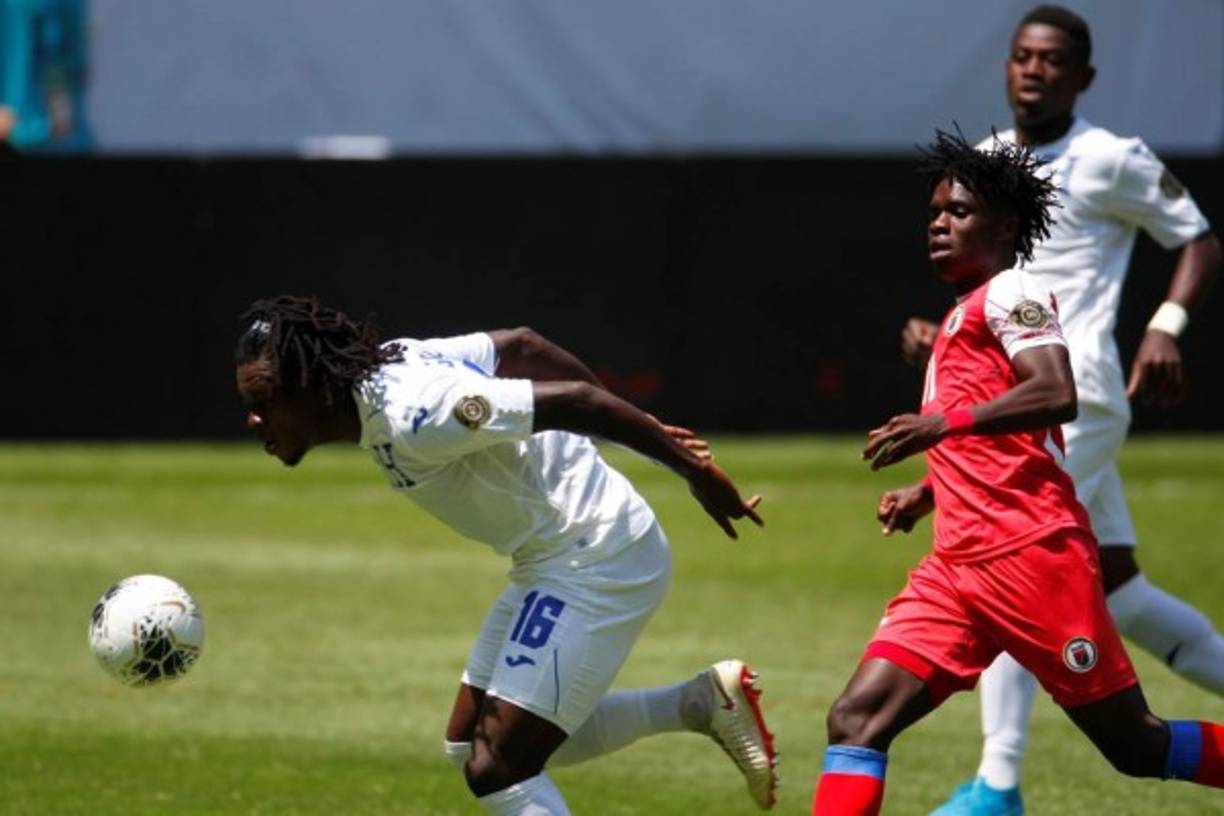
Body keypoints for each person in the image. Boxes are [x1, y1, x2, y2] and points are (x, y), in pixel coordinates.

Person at [810, 129, 1224, 816]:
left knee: (1135, 747)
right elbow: (1004, 447)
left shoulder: (1017, 291)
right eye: (934, 213)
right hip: (956, 568)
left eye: (958, 212)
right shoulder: (961, 311)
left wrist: (942, 424)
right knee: (857, 719)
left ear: (1005, 227)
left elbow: (1056, 391)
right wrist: (927, 492)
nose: (939, 224)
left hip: (1030, 559)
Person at [234, 296, 778, 815]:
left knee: (498, 768)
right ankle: (697, 704)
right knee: (467, 745)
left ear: (310, 386)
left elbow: (578, 402)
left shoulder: (416, 415)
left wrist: (694, 471)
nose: (254, 420)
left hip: (595, 554)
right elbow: (521, 345)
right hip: (550, 559)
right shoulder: (392, 367)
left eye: (264, 402)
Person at [898, 8, 1223, 815]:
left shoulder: (1109, 158)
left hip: (1077, 393)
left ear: (1084, 77)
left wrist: (1166, 325)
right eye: (1020, 57)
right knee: (1121, 589)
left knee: (1010, 566)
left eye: (1051, 60)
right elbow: (993, 290)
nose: (1032, 71)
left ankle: (998, 786)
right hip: (1013, 394)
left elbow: (1199, 240)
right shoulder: (988, 160)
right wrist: (950, 341)